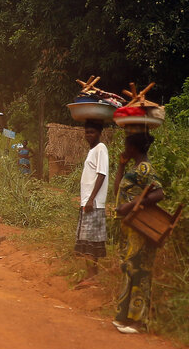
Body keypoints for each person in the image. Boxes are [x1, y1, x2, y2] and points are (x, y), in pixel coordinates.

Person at [111, 131, 164, 334]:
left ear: (134, 147)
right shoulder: (133, 168)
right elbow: (117, 193)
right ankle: (123, 316)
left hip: (140, 228)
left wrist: (132, 205)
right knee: (128, 269)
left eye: (126, 145)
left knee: (140, 271)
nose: (124, 148)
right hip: (129, 227)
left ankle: (138, 321)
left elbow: (159, 193)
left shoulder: (145, 168)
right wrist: (121, 166)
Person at [75, 121, 109, 285]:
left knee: (89, 241)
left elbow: (101, 174)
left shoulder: (101, 148)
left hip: (93, 203)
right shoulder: (93, 150)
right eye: (87, 132)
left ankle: (91, 276)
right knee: (90, 241)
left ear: (99, 132)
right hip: (88, 202)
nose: (89, 135)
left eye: (92, 132)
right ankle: (93, 276)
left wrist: (91, 199)